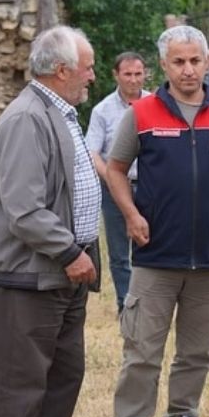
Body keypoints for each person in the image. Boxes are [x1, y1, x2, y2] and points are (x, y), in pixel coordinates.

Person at [105, 25, 209, 417]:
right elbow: (115, 169)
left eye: (195, 61)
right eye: (178, 62)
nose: (188, 70)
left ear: (208, 63)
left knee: (198, 349)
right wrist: (131, 215)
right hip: (156, 253)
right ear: (164, 66)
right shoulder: (142, 113)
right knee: (142, 348)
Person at [0, 25, 102, 417]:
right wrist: (70, 252)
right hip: (30, 274)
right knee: (20, 381)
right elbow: (24, 209)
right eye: (87, 67)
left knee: (64, 373)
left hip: (63, 272)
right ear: (62, 70)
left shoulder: (60, 113)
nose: (92, 75)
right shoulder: (27, 119)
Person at [85, 51, 150, 313]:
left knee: (150, 245)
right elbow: (92, 152)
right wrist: (112, 178)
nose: (133, 80)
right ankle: (126, 305)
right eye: (128, 74)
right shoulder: (102, 111)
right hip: (115, 189)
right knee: (120, 251)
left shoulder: (156, 105)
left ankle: (150, 302)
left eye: (138, 74)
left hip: (150, 187)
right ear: (116, 75)